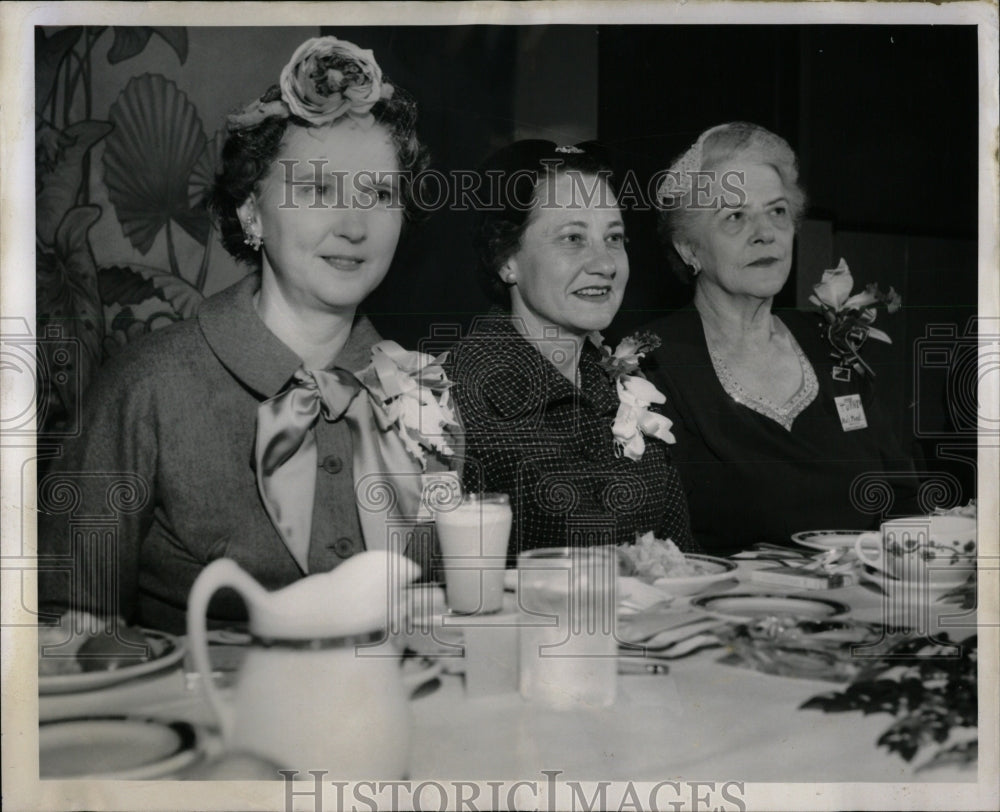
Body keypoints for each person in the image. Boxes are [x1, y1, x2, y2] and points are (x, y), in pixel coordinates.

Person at [38, 36, 455, 633]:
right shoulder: (146, 387)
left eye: (380, 194)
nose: (354, 227)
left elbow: (445, 614)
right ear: (252, 214)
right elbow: (64, 630)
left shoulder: (424, 391)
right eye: (317, 190)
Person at [643, 122, 919, 556]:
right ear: (689, 249)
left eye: (777, 212)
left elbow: (902, 495)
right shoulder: (653, 363)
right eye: (735, 216)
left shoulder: (832, 341)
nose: (765, 233)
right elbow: (658, 543)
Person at [446, 140, 696, 559]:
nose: (605, 263)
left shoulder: (628, 387)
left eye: (614, 237)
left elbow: (682, 558)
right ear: (506, 258)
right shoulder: (456, 398)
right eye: (573, 238)